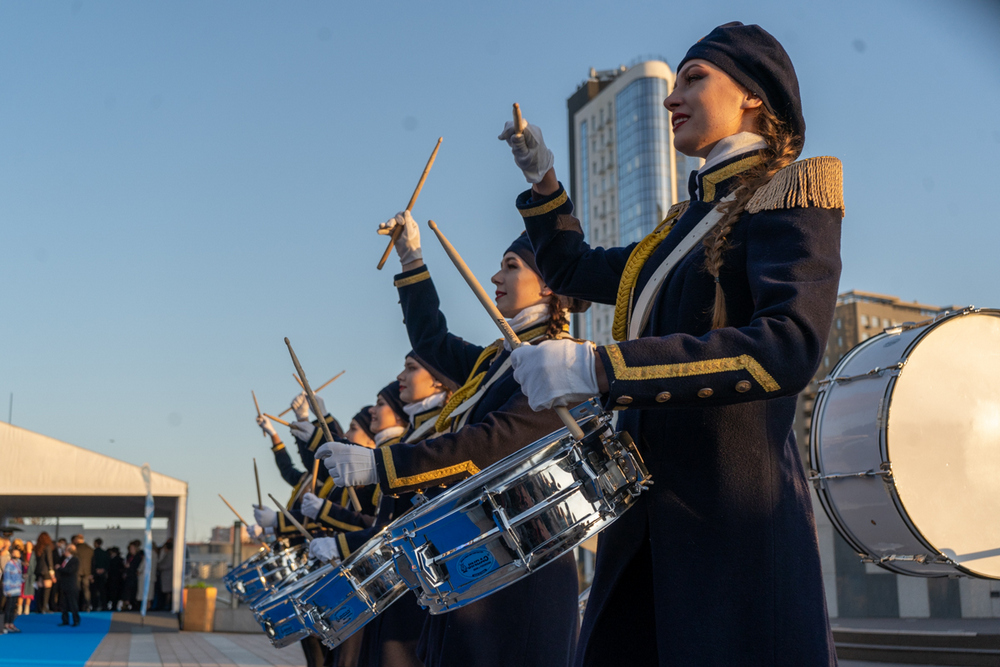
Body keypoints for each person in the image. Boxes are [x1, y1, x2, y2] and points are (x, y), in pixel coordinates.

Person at [500, 22, 843, 666]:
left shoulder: (789, 197)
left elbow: (787, 345)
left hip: (729, 519)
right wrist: (544, 182)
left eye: (694, 78)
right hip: (645, 518)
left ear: (753, 97)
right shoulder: (681, 225)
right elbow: (573, 270)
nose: (670, 98)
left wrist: (602, 368)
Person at [322, 216, 586, 667]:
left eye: (511, 266)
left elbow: (491, 444)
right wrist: (411, 258)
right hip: (476, 569)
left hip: (519, 574)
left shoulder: (554, 360)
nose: (495, 277)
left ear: (548, 286)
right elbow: (431, 340)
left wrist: (381, 465)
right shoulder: (498, 359)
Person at [57, 543, 81, 626]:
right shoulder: (64, 559)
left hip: (71, 585)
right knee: (64, 604)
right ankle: (65, 620)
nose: (64, 551)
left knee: (72, 603)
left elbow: (70, 570)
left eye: (66, 550)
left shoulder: (75, 560)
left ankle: (76, 620)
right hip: (64, 584)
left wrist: (60, 568)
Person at [3, 546, 23, 633]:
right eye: (14, 552)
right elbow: (6, 577)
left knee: (13, 607)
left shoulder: (19, 563)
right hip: (10, 589)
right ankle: (6, 624)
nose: (16, 554)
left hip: (17, 589)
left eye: (17, 552)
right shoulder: (9, 564)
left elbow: (18, 576)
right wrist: (7, 589)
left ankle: (11, 623)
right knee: (9, 607)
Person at [34, 531, 56, 613]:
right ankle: (44, 607)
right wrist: (52, 574)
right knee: (47, 589)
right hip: (46, 570)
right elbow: (49, 560)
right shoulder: (48, 547)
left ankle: (39, 607)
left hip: (38, 570)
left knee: (39, 589)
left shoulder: (37, 547)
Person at [71, 535, 94, 611]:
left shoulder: (76, 549)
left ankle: (76, 606)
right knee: (86, 589)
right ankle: (87, 605)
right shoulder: (90, 549)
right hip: (87, 572)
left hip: (77, 571)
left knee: (76, 589)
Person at [123, 541, 144, 611]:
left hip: (134, 577)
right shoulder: (129, 556)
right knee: (127, 590)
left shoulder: (138, 557)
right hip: (129, 576)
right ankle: (128, 603)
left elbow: (137, 566)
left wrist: (130, 566)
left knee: (134, 591)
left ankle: (134, 604)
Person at [92, 538, 109, 612]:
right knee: (102, 591)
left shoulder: (93, 553)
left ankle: (95, 605)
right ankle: (104, 605)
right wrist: (103, 569)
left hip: (95, 574)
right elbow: (108, 563)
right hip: (102, 574)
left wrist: (95, 570)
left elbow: (92, 563)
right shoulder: (104, 553)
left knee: (94, 591)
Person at [107, 547, 124, 611]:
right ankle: (115, 605)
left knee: (113, 593)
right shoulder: (120, 559)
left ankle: (113, 606)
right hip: (118, 579)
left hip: (113, 579)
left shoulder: (112, 560)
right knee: (116, 594)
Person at [20, 542, 35, 615]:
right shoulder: (22, 554)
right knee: (21, 593)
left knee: (29, 592)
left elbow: (35, 565)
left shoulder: (34, 554)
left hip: (30, 576)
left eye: (30, 545)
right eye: (27, 545)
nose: (28, 546)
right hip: (22, 575)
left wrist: (29, 574)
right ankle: (19, 609)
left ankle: (27, 609)